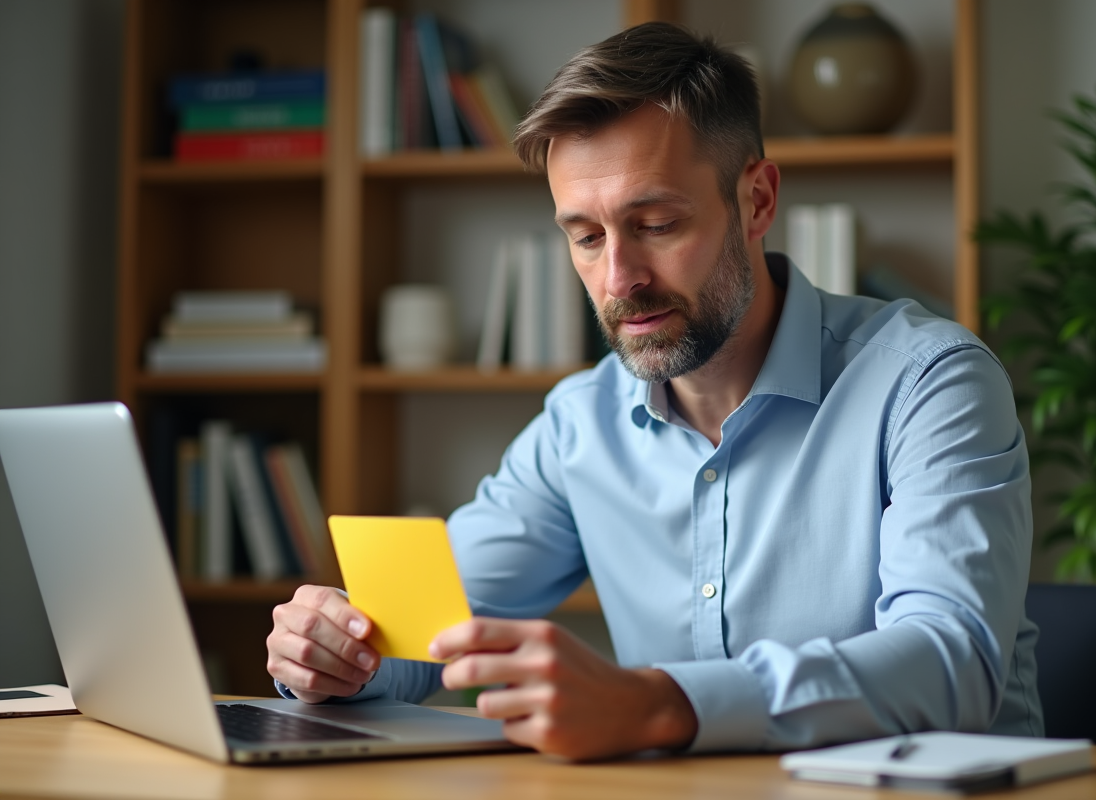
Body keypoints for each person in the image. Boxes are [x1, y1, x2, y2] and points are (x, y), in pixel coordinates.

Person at [266, 22, 1042, 761]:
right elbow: (419, 638)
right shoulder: (579, 427)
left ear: (757, 201)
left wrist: (660, 704)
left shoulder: (930, 382)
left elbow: (951, 661)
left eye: (658, 224)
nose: (619, 279)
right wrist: (334, 653)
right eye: (586, 236)